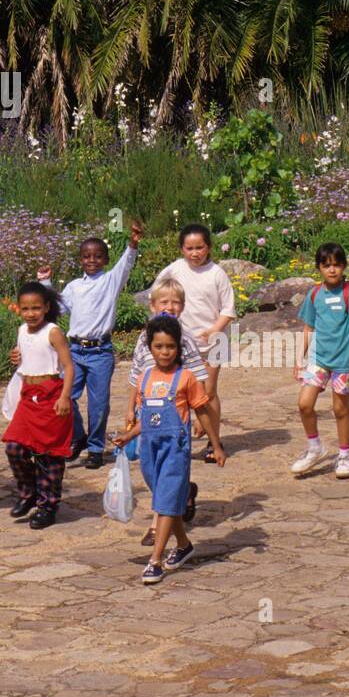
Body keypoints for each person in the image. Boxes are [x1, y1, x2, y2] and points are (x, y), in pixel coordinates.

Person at [113, 315, 225, 584]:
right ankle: (184, 545)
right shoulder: (144, 378)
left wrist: (216, 444)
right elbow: (147, 417)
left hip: (175, 449)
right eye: (159, 347)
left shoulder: (186, 378)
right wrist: (128, 435)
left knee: (164, 502)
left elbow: (203, 412)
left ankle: (155, 560)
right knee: (167, 500)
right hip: (149, 450)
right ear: (150, 348)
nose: (165, 352)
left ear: (179, 348)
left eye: (170, 347)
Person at [28, 222, 142, 469]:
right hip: (75, 351)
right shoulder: (74, 287)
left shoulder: (111, 281)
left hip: (100, 351)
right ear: (80, 260)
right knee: (66, 395)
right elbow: (57, 308)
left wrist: (133, 243)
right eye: (87, 256)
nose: (92, 260)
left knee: (98, 404)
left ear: (106, 259)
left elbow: (126, 265)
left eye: (98, 256)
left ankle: (96, 448)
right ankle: (78, 436)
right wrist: (45, 282)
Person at [124, 277, 209, 544]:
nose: (169, 307)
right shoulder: (143, 339)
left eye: (175, 302)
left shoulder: (185, 340)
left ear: (182, 306)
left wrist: (201, 416)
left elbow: (197, 377)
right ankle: (184, 495)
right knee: (152, 469)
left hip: (177, 419)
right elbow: (135, 375)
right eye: (164, 301)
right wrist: (129, 409)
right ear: (151, 305)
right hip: (149, 415)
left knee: (169, 468)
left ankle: (155, 525)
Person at [153, 223, 235, 462]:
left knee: (208, 391)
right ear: (182, 249)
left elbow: (229, 309)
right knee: (184, 392)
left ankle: (213, 440)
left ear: (208, 248)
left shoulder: (217, 273)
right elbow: (156, 294)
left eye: (200, 247)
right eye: (189, 248)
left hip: (215, 341)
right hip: (183, 342)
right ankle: (179, 439)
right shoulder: (175, 269)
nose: (195, 253)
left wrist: (215, 329)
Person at [292, 242, 349, 479]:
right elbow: (308, 327)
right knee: (305, 404)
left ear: (344, 266)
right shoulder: (315, 294)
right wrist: (299, 358)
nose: (332, 270)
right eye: (326, 266)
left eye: (337, 265)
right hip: (319, 359)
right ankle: (315, 447)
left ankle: (344, 455)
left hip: (344, 363)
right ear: (319, 268)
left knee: (340, 409)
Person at [3, 282, 75, 529]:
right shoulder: (22, 330)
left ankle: (48, 505)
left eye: (36, 308)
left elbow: (68, 366)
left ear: (46, 307)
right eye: (26, 308)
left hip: (51, 396)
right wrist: (16, 356)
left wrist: (65, 397)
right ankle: (28, 492)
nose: (31, 313)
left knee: (48, 455)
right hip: (28, 396)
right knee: (15, 447)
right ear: (19, 309)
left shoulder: (53, 332)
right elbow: (26, 356)